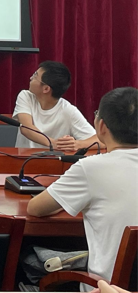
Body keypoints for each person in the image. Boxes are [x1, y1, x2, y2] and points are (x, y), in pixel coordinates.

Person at [27, 87, 138, 286]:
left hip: (105, 287)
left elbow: (35, 208)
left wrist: (68, 200)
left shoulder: (91, 168)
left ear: (101, 126)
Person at [13, 61, 98, 152]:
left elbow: (100, 140)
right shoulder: (26, 96)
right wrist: (53, 143)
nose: (31, 78)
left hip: (55, 160)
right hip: (23, 158)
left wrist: (77, 144)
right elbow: (26, 128)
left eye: (35, 76)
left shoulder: (68, 111)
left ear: (46, 89)